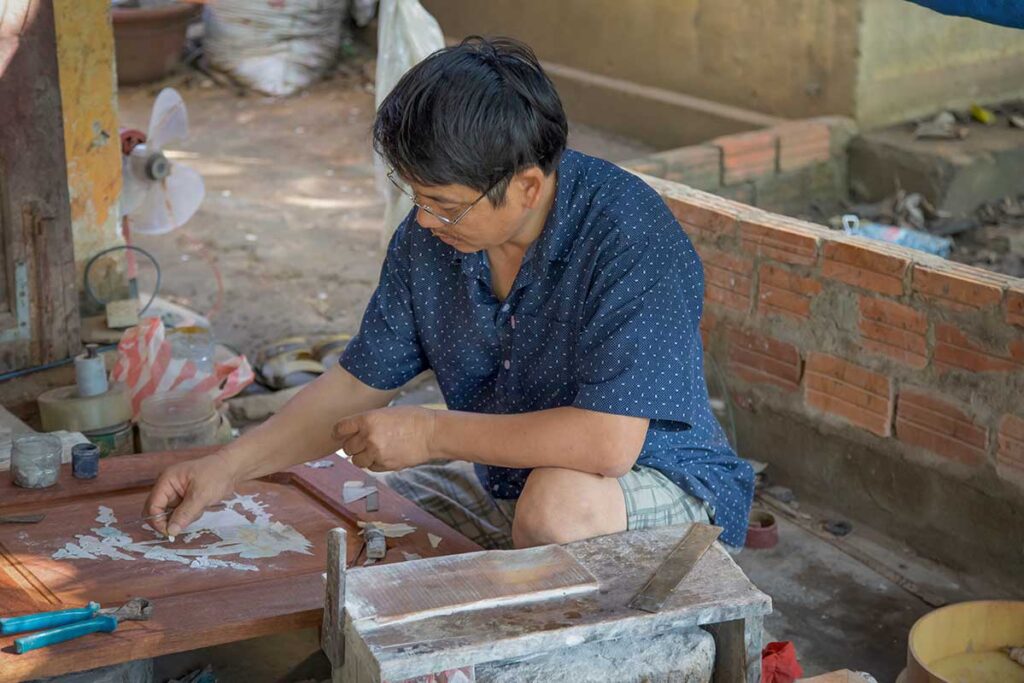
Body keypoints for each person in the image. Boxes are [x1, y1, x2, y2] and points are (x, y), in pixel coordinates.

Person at [144, 36, 754, 551]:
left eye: (446, 206)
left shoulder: (628, 235)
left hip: (667, 482)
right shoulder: (430, 238)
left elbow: (607, 444)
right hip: (510, 484)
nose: (427, 222)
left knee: (555, 508)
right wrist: (224, 467)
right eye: (418, 198)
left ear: (527, 186)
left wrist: (432, 434)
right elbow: (359, 385)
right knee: (349, 510)